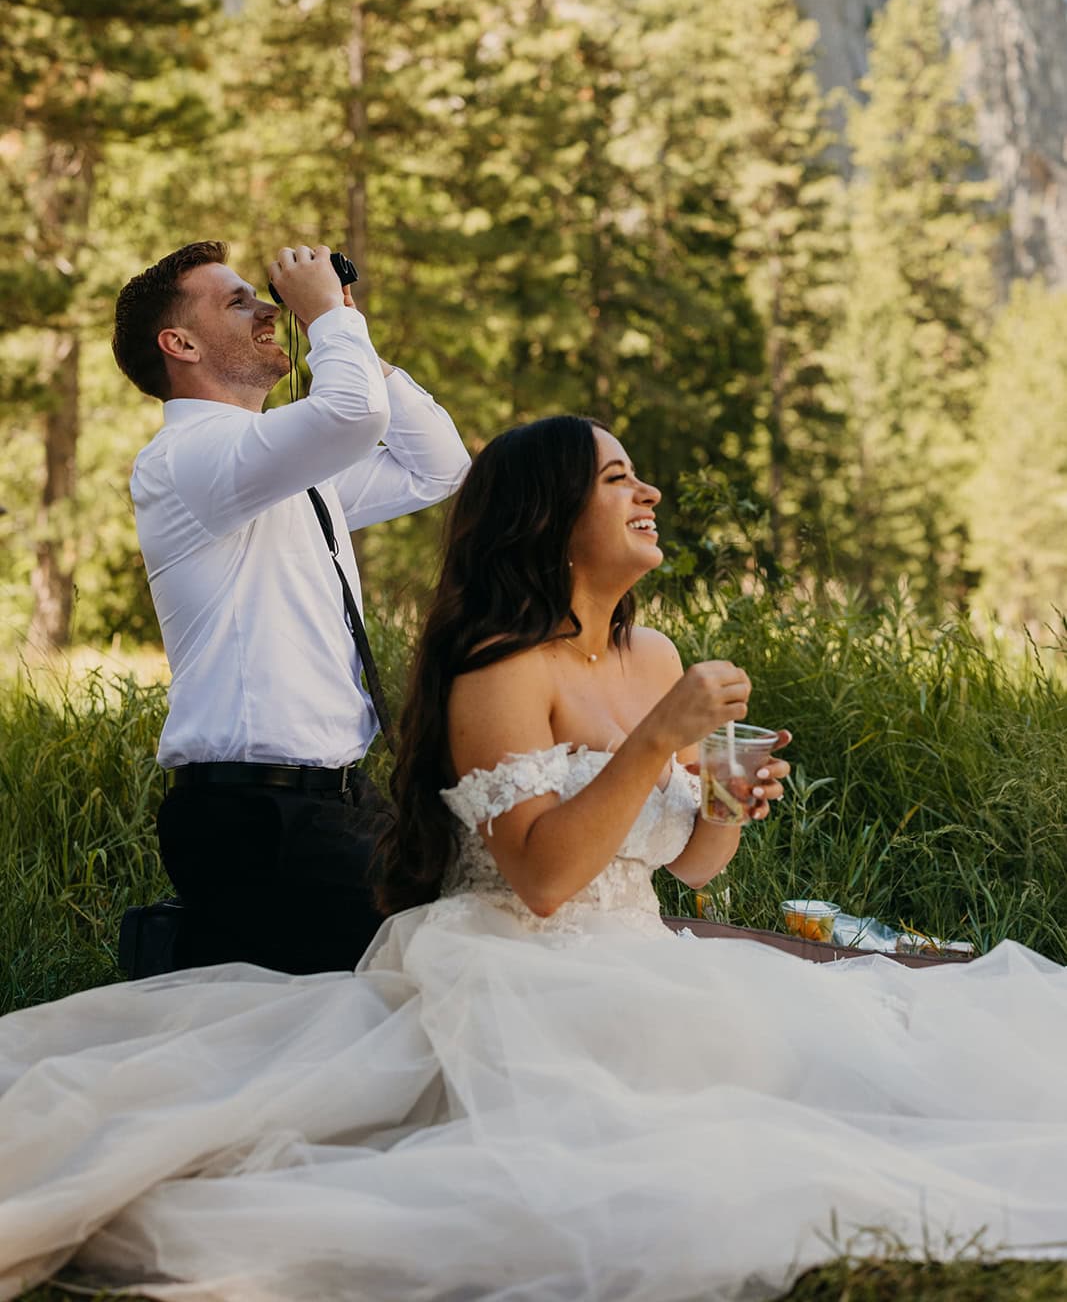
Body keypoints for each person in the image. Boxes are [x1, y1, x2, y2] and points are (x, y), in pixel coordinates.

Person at [1, 416, 1066, 1302]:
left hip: (638, 945)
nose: (646, 490)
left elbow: (688, 871)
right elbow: (545, 879)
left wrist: (727, 803)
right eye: (616, 478)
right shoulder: (498, 671)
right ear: (550, 517)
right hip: (514, 960)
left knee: (848, 1052)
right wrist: (658, 738)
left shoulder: (651, 654)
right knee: (707, 1102)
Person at [110, 239, 470, 973]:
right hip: (256, 814)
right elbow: (349, 417)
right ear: (177, 343)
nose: (270, 308)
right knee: (408, 997)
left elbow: (438, 465)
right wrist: (328, 321)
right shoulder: (187, 459)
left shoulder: (285, 474)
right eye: (237, 301)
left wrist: (346, 327)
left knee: (348, 1024)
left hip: (335, 801)